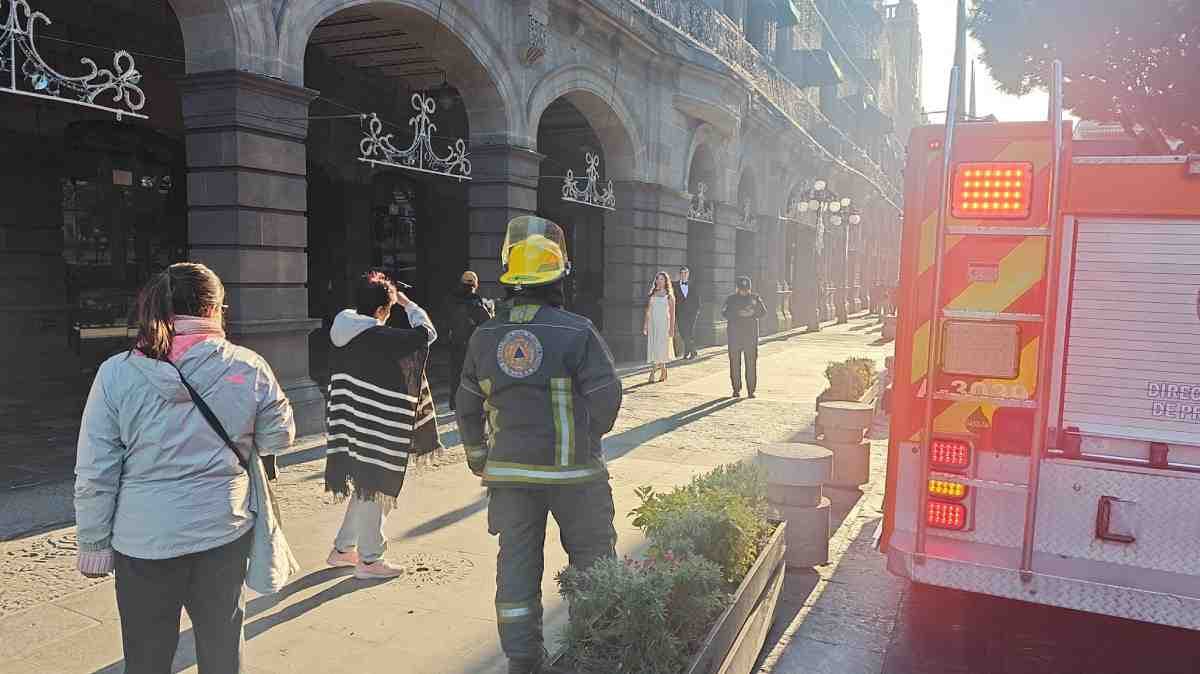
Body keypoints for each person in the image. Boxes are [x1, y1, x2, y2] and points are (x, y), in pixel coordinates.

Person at [74, 262, 296, 674]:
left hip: (143, 540)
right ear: (214, 309)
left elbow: (95, 469)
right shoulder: (249, 366)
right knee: (222, 645)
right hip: (223, 529)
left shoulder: (116, 373)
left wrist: (93, 544)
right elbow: (279, 439)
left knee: (145, 655)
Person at [456, 216, 622, 674]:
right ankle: (591, 654)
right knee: (591, 562)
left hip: (510, 477)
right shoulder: (578, 331)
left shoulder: (484, 336)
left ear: (509, 279)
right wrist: (587, 441)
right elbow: (607, 398)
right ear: (559, 277)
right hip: (575, 477)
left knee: (517, 567)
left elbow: (466, 409)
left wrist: (479, 460)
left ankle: (524, 662)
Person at [324, 270, 441, 579]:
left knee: (365, 484)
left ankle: (342, 550)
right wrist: (408, 304)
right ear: (381, 310)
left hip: (348, 421)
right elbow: (426, 334)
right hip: (376, 427)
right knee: (376, 485)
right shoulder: (379, 336)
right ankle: (370, 559)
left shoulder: (342, 328)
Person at [444, 270, 495, 411]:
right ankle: (470, 405)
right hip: (472, 344)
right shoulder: (475, 301)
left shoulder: (450, 299)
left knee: (456, 374)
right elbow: (487, 322)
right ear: (475, 284)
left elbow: (445, 320)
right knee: (473, 375)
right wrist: (490, 309)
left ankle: (454, 403)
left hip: (455, 343)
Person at [723, 275, 768, 398]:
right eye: (742, 289)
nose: (744, 291)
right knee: (735, 364)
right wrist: (738, 313)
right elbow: (725, 313)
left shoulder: (755, 298)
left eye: (746, 289)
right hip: (734, 336)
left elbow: (763, 312)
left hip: (750, 336)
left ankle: (751, 390)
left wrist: (752, 313)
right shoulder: (731, 299)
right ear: (737, 288)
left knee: (751, 363)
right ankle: (736, 389)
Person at [643, 270, 676, 383]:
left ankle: (652, 372)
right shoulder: (652, 294)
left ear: (666, 281)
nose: (659, 281)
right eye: (658, 278)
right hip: (653, 324)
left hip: (664, 325)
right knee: (654, 347)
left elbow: (672, 314)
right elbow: (648, 311)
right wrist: (646, 325)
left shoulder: (669, 296)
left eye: (662, 279)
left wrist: (672, 329)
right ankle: (663, 369)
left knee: (660, 348)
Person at [673, 265, 701, 359]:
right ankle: (691, 350)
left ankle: (689, 352)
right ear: (680, 274)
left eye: (686, 273)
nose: (684, 275)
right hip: (680, 313)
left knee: (690, 332)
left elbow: (697, 299)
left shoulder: (693, 285)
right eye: (682, 273)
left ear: (688, 274)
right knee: (683, 332)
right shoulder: (675, 285)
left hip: (692, 313)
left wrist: (697, 311)